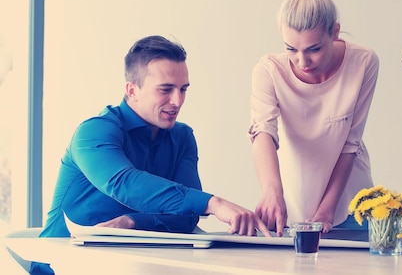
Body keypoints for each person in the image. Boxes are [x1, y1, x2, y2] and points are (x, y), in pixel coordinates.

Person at [32, 36, 270, 274]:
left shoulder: (183, 137)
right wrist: (212, 203)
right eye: (165, 89)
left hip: (133, 265)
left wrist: (135, 222)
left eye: (183, 89)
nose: (177, 101)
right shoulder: (93, 131)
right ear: (132, 90)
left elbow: (186, 218)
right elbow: (123, 183)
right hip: (62, 267)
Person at [248, 0, 379, 236]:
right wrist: (272, 191)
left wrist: (326, 210)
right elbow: (263, 132)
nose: (301, 61)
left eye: (314, 49)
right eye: (291, 49)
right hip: (294, 199)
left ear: (335, 32)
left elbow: (350, 144)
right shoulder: (269, 70)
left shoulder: (364, 62)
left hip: (351, 202)